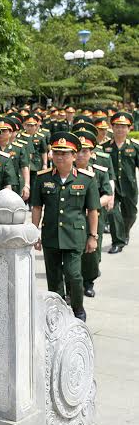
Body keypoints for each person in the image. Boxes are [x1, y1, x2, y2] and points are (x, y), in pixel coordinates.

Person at [31, 132, 100, 322]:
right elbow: (37, 207)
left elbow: (93, 210)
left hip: (75, 236)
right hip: (51, 235)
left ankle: (78, 308)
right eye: (56, 153)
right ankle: (58, 310)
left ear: (74, 155)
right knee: (53, 278)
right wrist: (34, 232)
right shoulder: (42, 178)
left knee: (74, 274)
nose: (60, 157)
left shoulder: (86, 179)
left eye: (65, 153)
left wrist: (93, 236)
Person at [72, 128, 114, 298]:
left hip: (94, 218)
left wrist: (93, 204)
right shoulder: (66, 171)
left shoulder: (99, 172)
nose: (81, 155)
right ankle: (73, 286)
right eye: (78, 151)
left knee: (91, 254)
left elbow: (108, 194)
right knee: (72, 252)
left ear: (91, 153)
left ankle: (89, 282)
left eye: (85, 151)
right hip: (73, 218)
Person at [104, 112, 139, 254]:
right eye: (117, 126)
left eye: (124, 127)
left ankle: (125, 233)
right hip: (111, 187)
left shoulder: (135, 147)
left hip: (129, 187)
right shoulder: (105, 147)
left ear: (129, 128)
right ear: (112, 127)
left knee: (130, 214)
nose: (120, 129)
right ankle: (117, 242)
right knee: (113, 213)